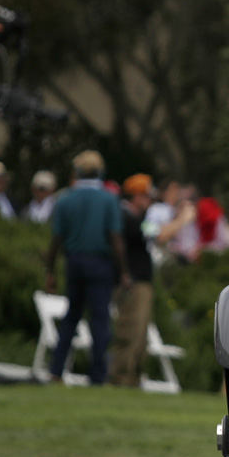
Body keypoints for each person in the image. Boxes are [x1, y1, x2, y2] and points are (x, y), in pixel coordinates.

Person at [44, 150, 128, 386]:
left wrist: (49, 271)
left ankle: (56, 370)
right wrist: (123, 272)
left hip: (74, 262)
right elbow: (116, 239)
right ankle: (98, 375)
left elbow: (56, 240)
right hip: (100, 264)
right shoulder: (108, 199)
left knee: (71, 317)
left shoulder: (65, 199)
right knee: (100, 320)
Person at [109, 174, 155, 388]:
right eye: (146, 196)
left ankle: (133, 378)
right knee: (130, 331)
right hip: (134, 284)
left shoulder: (136, 218)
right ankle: (121, 378)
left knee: (140, 336)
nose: (149, 201)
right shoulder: (126, 217)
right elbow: (158, 236)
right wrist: (181, 219)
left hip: (141, 283)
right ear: (136, 196)